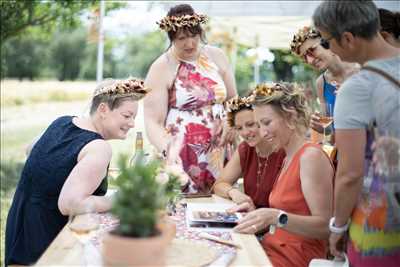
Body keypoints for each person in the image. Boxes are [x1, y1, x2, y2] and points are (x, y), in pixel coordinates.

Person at [5, 78, 150, 265]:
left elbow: (31, 149)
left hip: (18, 233)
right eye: (127, 115)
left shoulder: (61, 122)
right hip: (48, 248)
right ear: (103, 109)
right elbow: (69, 204)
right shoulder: (99, 148)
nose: (132, 124)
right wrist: (122, 199)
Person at [313, 1, 400, 266]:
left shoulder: (358, 87)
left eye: (327, 42)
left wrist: (338, 226)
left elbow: (350, 173)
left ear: (347, 38)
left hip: (382, 227)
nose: (329, 49)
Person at [230, 82, 334, 267]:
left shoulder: (310, 157)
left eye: (267, 123)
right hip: (273, 250)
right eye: (259, 124)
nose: (263, 132)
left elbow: (326, 227)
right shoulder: (288, 157)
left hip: (295, 258)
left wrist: (275, 217)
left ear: (291, 117)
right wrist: (258, 216)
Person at [144, 4, 237, 193]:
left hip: (218, 151)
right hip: (181, 153)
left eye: (193, 35)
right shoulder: (162, 66)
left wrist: (232, 121)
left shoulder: (216, 56)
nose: (190, 43)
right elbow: (152, 121)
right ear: (171, 38)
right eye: (182, 38)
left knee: (220, 203)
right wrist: (168, 150)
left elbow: (233, 98)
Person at [213, 95, 285, 209]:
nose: (245, 132)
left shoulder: (283, 151)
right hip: (251, 219)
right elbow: (218, 185)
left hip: (277, 222)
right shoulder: (245, 149)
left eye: (250, 124)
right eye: (239, 128)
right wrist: (233, 192)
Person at [290, 26, 359, 139]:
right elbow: (330, 131)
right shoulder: (321, 83)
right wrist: (323, 128)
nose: (310, 60)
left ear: (328, 43)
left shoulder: (361, 70)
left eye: (311, 50)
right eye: (305, 58)